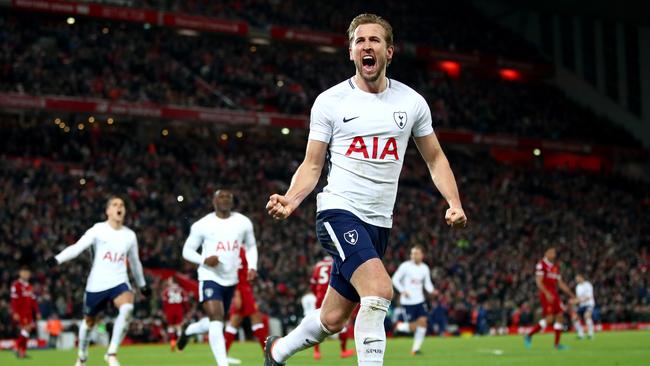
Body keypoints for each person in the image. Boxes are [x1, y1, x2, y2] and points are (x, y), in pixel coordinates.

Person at [264, 13, 467, 366]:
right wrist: (292, 199)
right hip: (338, 211)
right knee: (379, 291)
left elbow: (435, 159)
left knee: (332, 319)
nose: (366, 46)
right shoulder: (330, 102)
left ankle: (277, 351)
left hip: (379, 223)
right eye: (360, 41)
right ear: (351, 51)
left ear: (390, 51)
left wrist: (454, 202)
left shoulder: (411, 103)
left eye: (374, 40)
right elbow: (313, 165)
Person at [47, 196, 150, 366]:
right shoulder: (98, 230)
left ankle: (111, 353)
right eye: (115, 205)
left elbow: (135, 262)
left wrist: (142, 285)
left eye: (122, 205)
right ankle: (82, 355)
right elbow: (77, 247)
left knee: (127, 308)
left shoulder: (130, 235)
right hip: (97, 284)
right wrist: (57, 259)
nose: (119, 207)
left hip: (119, 282)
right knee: (89, 323)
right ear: (108, 211)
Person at [176, 189, 258, 366]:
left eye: (228, 196)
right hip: (209, 276)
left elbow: (251, 246)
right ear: (214, 201)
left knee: (217, 322)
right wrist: (204, 259)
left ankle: (190, 330)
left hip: (231, 279)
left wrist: (252, 266)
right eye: (221, 196)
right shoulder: (202, 225)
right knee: (216, 318)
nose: (225, 199)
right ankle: (222, 364)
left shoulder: (243, 222)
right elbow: (186, 251)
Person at [524, 247, 575, 350]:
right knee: (549, 319)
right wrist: (547, 293)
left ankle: (557, 345)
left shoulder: (555, 267)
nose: (553, 254)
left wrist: (570, 293)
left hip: (554, 294)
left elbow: (560, 283)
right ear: (546, 253)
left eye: (554, 253)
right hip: (546, 294)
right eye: (551, 252)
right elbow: (539, 281)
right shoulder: (541, 265)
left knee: (560, 316)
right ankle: (529, 335)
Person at [391, 245, 435, 355]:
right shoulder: (405, 266)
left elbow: (427, 283)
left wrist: (432, 291)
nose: (413, 256)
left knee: (423, 323)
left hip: (420, 300)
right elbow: (395, 279)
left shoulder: (425, 268)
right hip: (408, 302)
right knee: (413, 327)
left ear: (422, 255)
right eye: (412, 253)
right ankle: (399, 326)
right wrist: (402, 290)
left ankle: (415, 349)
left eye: (416, 253)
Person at [309, 256, 354, 360]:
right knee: (342, 321)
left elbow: (313, 285)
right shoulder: (338, 262)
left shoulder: (319, 265)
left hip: (320, 298)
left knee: (318, 324)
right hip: (334, 296)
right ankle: (343, 351)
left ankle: (316, 352)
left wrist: (317, 296)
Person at [224, 247, 268, 353]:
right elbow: (234, 272)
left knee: (235, 321)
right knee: (255, 318)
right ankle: (267, 352)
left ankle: (222, 353)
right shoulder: (237, 249)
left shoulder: (243, 248)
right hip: (242, 290)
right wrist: (237, 293)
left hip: (245, 288)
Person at [10, 265, 41, 359]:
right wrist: (15, 312)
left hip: (29, 313)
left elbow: (33, 301)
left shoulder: (29, 287)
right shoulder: (16, 285)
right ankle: (19, 349)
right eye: (24, 272)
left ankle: (21, 350)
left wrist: (37, 312)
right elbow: (14, 300)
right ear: (20, 273)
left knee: (27, 331)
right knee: (26, 329)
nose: (26, 274)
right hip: (21, 313)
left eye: (28, 273)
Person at [162, 276, 189, 350]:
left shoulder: (166, 291)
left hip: (169, 310)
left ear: (172, 281)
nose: (168, 282)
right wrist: (186, 311)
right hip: (179, 309)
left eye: (169, 280)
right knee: (178, 327)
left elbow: (164, 302)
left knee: (171, 327)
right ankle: (180, 345)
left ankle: (172, 343)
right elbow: (185, 301)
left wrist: (165, 312)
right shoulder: (181, 290)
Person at [572, 274, 596, 339]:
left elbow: (589, 296)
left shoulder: (588, 285)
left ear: (582, 277)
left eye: (577, 278)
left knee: (587, 316)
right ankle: (581, 334)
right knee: (574, 318)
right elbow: (578, 298)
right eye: (576, 279)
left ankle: (591, 334)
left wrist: (578, 300)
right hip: (582, 305)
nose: (576, 280)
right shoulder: (577, 287)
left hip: (589, 304)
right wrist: (573, 301)